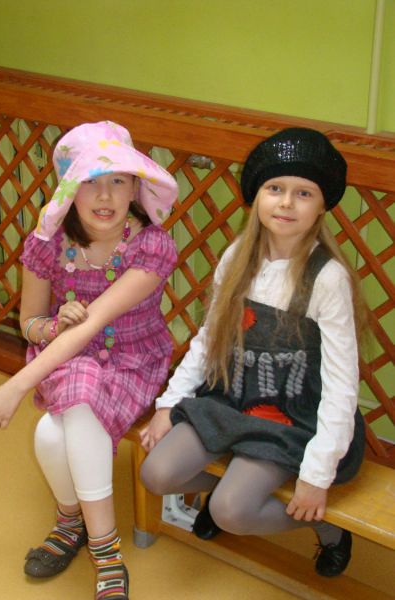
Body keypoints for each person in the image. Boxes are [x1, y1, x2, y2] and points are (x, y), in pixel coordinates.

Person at [140, 127, 368, 578]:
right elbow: (208, 340)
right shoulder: (237, 259)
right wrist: (169, 404)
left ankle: (326, 528)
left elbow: (342, 388)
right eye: (275, 189)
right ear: (257, 197)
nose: (287, 203)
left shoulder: (327, 279)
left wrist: (316, 476)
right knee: (156, 473)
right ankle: (228, 489)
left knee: (232, 511)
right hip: (232, 398)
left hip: (290, 416)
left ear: (322, 206)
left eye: (303, 193)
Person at [0, 121, 178, 600]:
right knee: (60, 420)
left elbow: (96, 321)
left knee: (54, 428)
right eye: (89, 181)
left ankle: (88, 539)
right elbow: (30, 322)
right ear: (69, 189)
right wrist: (52, 327)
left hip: (132, 360)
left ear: (135, 188)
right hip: (66, 356)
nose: (104, 196)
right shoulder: (46, 245)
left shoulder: (150, 246)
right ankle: (87, 535)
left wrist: (15, 386)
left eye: (117, 180)